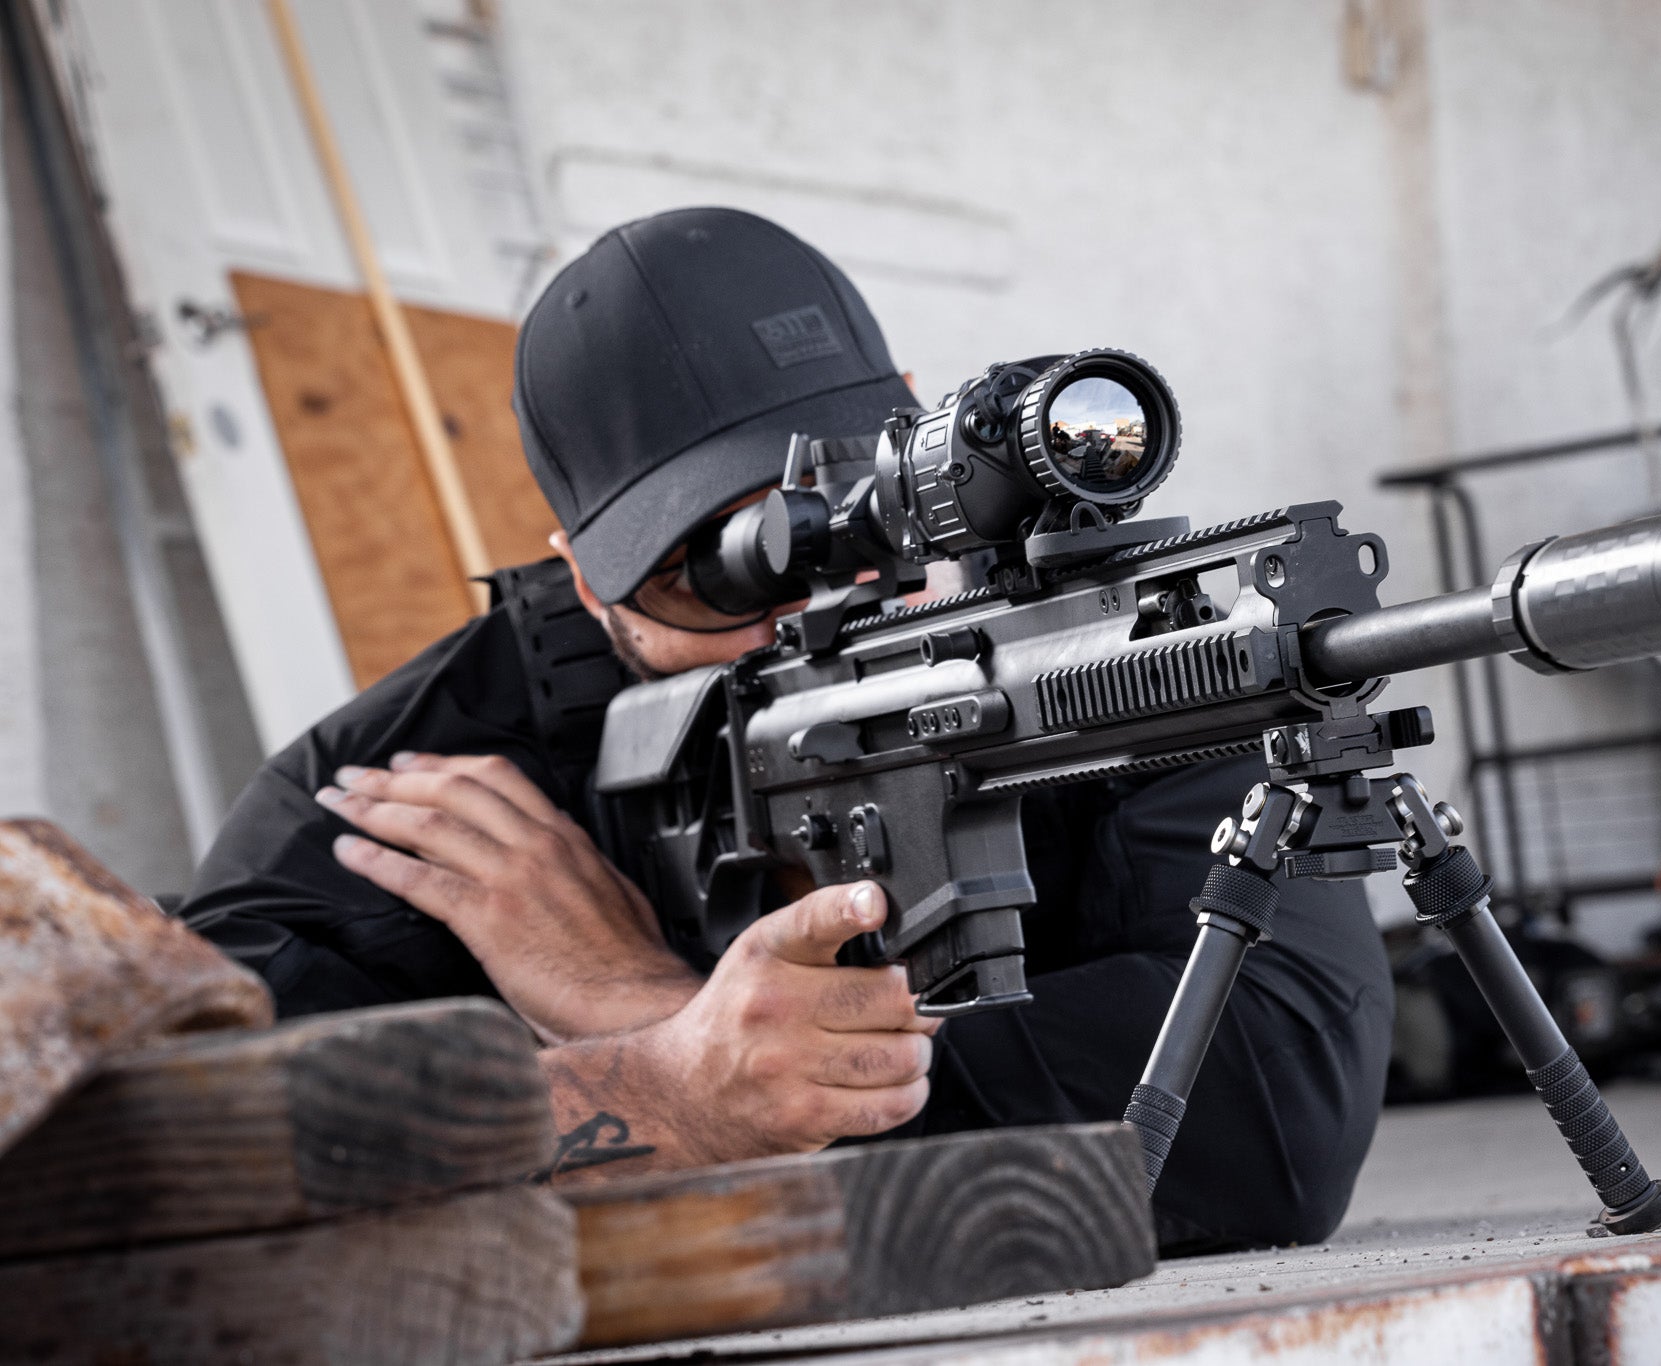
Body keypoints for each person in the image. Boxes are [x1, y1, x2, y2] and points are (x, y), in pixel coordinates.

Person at [181, 207, 1393, 1251]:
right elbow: (182, 1158)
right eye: (711, 574)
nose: (807, 609)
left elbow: (1274, 1118)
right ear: (583, 575)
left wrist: (657, 1022)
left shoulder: (1106, 643)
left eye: (853, 526)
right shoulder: (426, 783)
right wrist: (671, 1084)